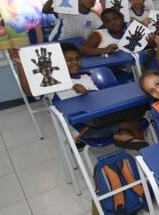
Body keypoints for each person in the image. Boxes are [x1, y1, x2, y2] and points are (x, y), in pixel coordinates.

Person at [10, 43, 147, 149]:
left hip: (102, 119)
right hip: (84, 129)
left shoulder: (86, 77)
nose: (74, 62)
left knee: (136, 109)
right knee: (133, 122)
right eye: (69, 60)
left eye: (77, 59)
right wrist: (21, 65)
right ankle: (144, 158)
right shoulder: (52, 84)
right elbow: (28, 91)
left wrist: (86, 93)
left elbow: (100, 100)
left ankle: (124, 135)